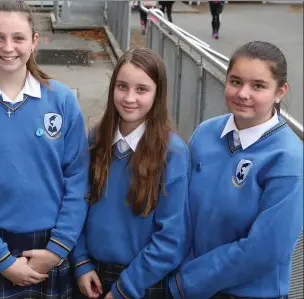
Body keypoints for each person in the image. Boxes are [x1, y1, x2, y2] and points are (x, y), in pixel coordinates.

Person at [0, 1, 90, 298]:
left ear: (34, 41)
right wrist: (0, 258)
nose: (8, 47)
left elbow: (77, 180)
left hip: (50, 246)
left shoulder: (62, 101)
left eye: (19, 38)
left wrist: (58, 249)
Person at [167, 41, 303, 299]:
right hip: (188, 283)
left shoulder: (288, 158)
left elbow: (264, 249)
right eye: (236, 81)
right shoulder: (206, 133)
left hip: (245, 293)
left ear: (280, 91)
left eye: (258, 86)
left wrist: (188, 281)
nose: (243, 93)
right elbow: (180, 209)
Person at [71, 48, 190, 299]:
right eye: (122, 86)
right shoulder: (96, 138)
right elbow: (77, 204)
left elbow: (171, 238)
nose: (129, 98)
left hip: (142, 281)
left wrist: (125, 288)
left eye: (142, 89)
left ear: (158, 94)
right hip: (91, 275)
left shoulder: (173, 153)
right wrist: (81, 261)